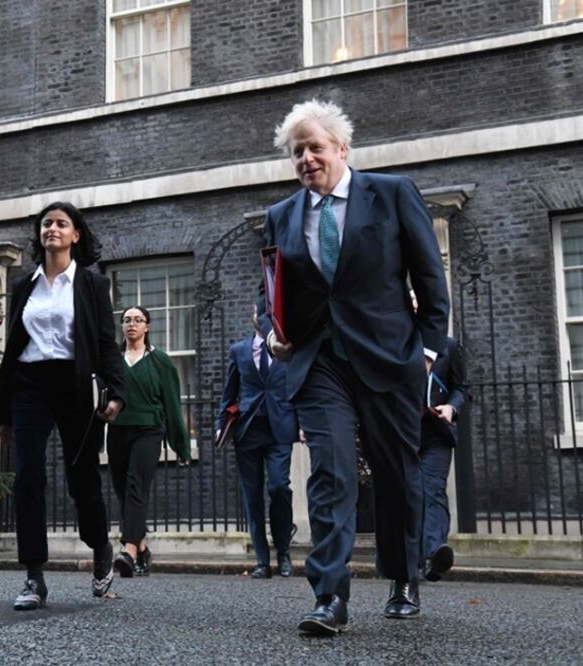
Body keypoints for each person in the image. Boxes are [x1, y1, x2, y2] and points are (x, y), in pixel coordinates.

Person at [262, 99, 450, 635]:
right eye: (297, 151)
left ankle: (403, 577)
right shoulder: (281, 216)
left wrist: (428, 351)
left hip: (389, 357)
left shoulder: (391, 194)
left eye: (315, 147)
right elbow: (269, 292)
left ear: (342, 148)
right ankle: (329, 596)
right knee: (331, 471)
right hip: (320, 361)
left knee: (396, 473)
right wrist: (272, 334)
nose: (306, 158)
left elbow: (429, 278)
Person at [0, 201, 126, 611]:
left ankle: (100, 547)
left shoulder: (92, 284)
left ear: (75, 235)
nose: (52, 229)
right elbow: (14, 348)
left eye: (62, 224)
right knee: (28, 475)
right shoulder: (24, 284)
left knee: (82, 479)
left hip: (75, 383)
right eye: (47, 223)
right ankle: (34, 576)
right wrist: (5, 412)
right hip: (29, 383)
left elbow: (105, 343)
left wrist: (117, 392)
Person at [107, 305, 191, 578]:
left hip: (149, 430)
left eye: (138, 320)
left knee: (136, 485)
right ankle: (142, 548)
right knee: (123, 490)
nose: (131, 324)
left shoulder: (160, 361)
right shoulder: (113, 360)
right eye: (126, 320)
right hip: (118, 430)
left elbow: (172, 405)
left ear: (147, 326)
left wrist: (181, 446)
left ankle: (129, 551)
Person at [216, 308, 298, 579]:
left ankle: (283, 552)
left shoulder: (288, 349)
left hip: (279, 429)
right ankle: (262, 560)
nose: (261, 314)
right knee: (252, 497)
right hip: (248, 430)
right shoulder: (239, 350)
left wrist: (303, 423)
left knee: (279, 487)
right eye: (258, 309)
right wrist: (220, 425)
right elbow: (229, 391)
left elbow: (298, 387)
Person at [412, 293, 467, 583]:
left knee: (431, 488)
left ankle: (434, 551)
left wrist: (451, 408)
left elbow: (461, 388)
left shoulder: (448, 346)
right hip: (405, 432)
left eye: (419, 304)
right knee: (411, 493)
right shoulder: (396, 346)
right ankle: (418, 558)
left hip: (436, 432)